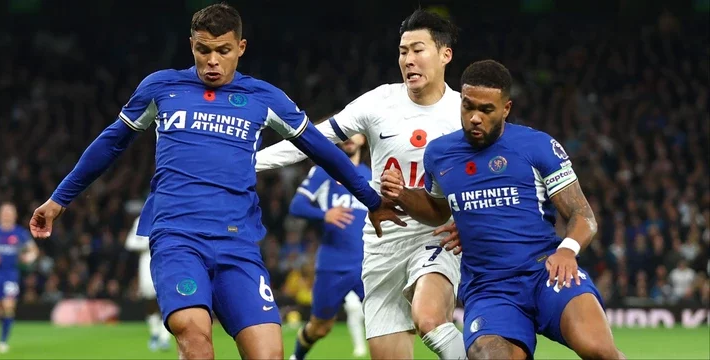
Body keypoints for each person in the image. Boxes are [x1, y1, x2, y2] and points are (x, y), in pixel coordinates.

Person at [27, 4, 403, 360]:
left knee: (268, 352)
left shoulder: (264, 97)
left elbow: (323, 150)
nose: (212, 61)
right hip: (177, 237)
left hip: (238, 242)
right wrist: (59, 199)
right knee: (195, 340)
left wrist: (371, 199)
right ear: (191, 44)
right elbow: (110, 143)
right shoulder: (161, 88)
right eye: (203, 49)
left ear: (240, 47)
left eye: (223, 50)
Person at [255, 9, 466, 360]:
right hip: (382, 246)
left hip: (436, 237)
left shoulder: (463, 111)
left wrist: (471, 220)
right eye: (403, 51)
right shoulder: (378, 102)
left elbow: (500, 171)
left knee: (429, 320)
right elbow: (312, 139)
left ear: (445, 54)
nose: (408, 60)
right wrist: (246, 163)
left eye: (418, 49)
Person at [380, 59, 625, 359]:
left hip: (548, 271)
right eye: (468, 107)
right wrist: (402, 194)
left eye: (486, 110)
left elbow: (583, 216)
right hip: (489, 289)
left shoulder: (536, 146)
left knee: (600, 350)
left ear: (505, 108)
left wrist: (567, 250)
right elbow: (436, 210)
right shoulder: (439, 155)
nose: (474, 118)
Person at [288, 134, 369, 360]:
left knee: (388, 323)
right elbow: (296, 205)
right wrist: (324, 214)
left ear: (363, 138)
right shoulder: (324, 171)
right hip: (333, 263)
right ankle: (296, 357)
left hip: (368, 264)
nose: (349, 138)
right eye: (344, 133)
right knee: (320, 327)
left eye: (354, 132)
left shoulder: (372, 176)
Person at [0, 202, 39, 354]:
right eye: (4, 212)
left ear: (14, 215)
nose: (7, 215)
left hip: (11, 274)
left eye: (10, 212)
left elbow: (33, 251)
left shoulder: (20, 233)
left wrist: (28, 257)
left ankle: (3, 341)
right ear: (0, 214)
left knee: (9, 306)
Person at [124, 215, 171, 352]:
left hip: (167, 260)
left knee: (166, 299)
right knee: (150, 300)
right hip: (147, 262)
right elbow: (130, 242)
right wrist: (149, 242)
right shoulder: (141, 219)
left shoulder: (169, 213)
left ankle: (164, 338)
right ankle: (155, 333)